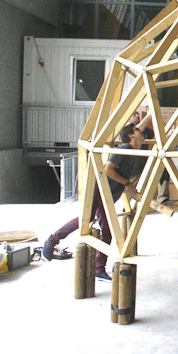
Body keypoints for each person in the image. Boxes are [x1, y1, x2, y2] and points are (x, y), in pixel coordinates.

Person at [42, 111, 152, 280]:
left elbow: (139, 128)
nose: (142, 132)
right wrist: (127, 184)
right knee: (85, 219)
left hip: (107, 195)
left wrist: (150, 115)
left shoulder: (134, 151)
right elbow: (108, 170)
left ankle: (99, 269)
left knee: (106, 231)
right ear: (131, 135)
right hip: (99, 190)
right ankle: (52, 240)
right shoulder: (125, 149)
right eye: (137, 131)